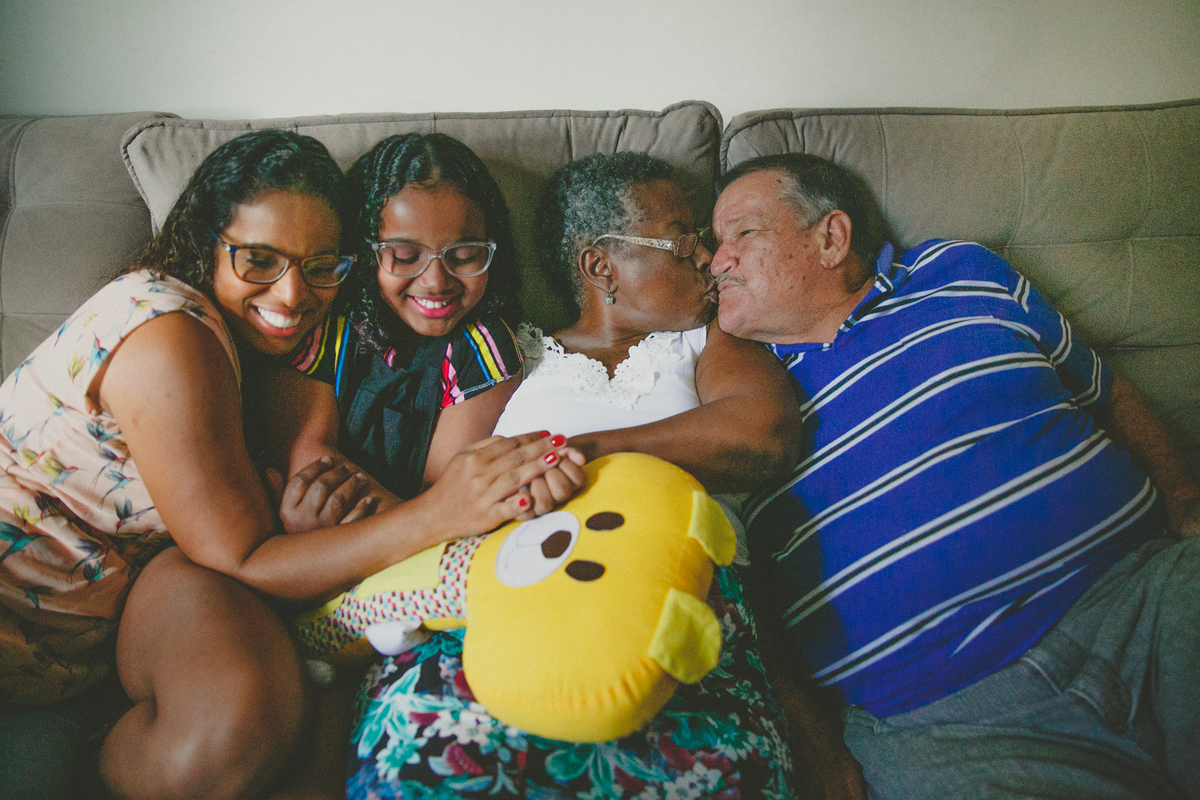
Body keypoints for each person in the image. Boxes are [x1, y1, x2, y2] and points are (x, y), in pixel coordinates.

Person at [0, 129, 575, 800]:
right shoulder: (169, 335)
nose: (293, 294)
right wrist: (440, 512)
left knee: (276, 743)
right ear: (204, 242)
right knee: (225, 742)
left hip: (121, 606)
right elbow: (250, 548)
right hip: (26, 601)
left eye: (321, 264)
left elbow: (290, 487)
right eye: (259, 260)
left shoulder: (286, 334)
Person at [709, 152, 1200, 799]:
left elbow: (1106, 392)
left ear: (831, 238)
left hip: (1143, 599)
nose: (716, 262)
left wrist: (1186, 499)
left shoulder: (959, 272)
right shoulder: (724, 387)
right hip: (944, 718)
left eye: (742, 234)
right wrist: (814, 741)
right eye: (714, 244)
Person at [344, 152, 805, 800]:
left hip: (674, 598)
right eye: (684, 240)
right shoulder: (508, 353)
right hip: (511, 595)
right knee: (425, 770)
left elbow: (763, 436)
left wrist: (578, 453)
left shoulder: (709, 339)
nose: (709, 257)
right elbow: (444, 499)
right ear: (599, 266)